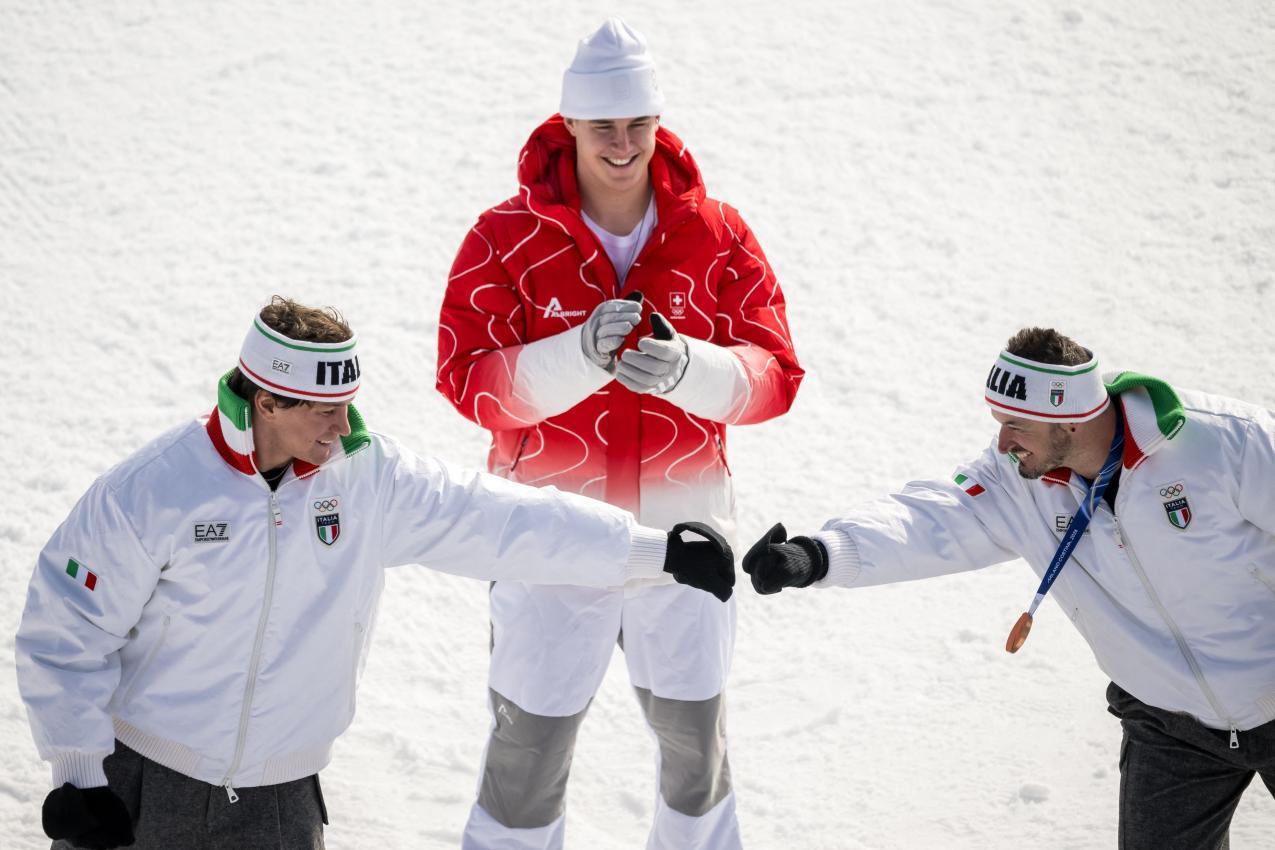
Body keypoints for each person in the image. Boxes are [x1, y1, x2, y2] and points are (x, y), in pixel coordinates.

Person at [16, 297, 735, 850]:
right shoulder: (155, 489)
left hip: (281, 801)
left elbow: (502, 520)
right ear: (265, 402)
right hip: (141, 787)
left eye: (347, 404)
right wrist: (80, 774)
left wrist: (654, 553)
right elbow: (67, 627)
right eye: (323, 410)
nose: (342, 425)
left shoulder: (367, 479)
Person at [436, 17, 802, 850]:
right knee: (527, 755)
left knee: (694, 751)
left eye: (639, 123)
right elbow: (468, 379)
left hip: (688, 537)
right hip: (549, 538)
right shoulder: (505, 237)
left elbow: (775, 376)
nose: (623, 144)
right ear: (568, 124)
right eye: (603, 125)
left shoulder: (718, 232)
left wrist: (688, 372)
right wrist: (573, 357)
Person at [743, 326, 1275, 849]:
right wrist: (818, 555)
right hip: (1168, 722)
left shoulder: (1224, 441)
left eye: (1017, 423)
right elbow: (933, 518)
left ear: (1071, 419)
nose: (1002, 441)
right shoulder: (1016, 480)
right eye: (999, 422)